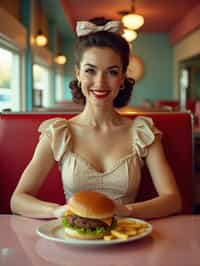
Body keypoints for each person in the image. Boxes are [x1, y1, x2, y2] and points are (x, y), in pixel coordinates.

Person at [10, 18, 182, 219]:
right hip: (73, 239)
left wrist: (126, 211)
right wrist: (57, 211)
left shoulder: (142, 131)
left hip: (128, 239)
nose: (100, 83)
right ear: (78, 74)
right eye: (90, 70)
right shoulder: (58, 132)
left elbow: (173, 199)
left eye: (112, 72)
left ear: (123, 78)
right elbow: (18, 200)